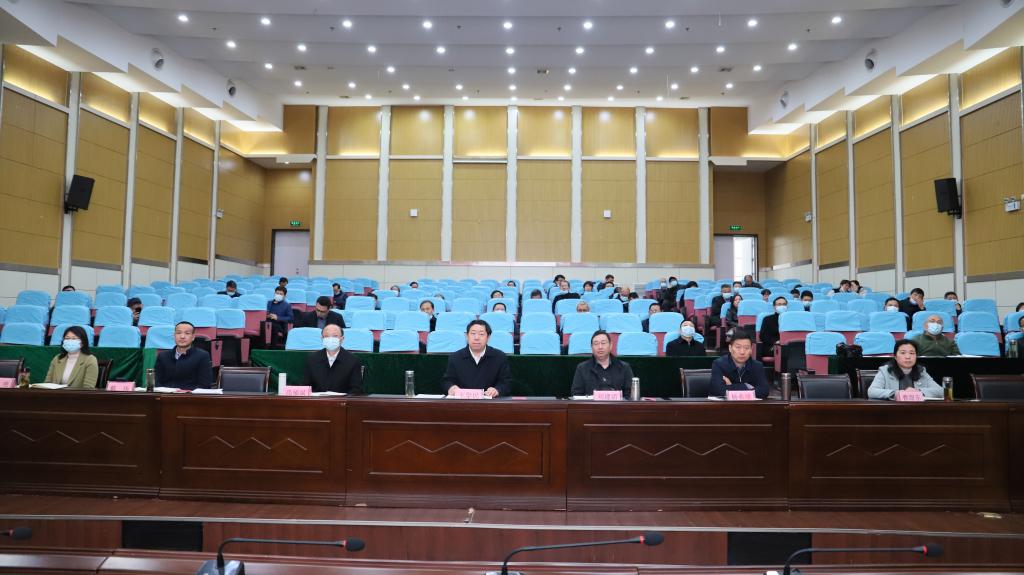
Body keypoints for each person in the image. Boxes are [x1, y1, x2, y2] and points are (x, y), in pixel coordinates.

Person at [442, 319, 512, 398]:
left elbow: (506, 383)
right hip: (463, 402)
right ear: (467, 336)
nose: (476, 338)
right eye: (473, 333)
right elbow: (447, 381)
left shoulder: (499, 357)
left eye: (481, 334)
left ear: (488, 337)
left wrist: (497, 390)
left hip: (490, 402)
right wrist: (451, 387)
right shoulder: (455, 357)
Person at [868, 339, 942, 399]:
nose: (908, 357)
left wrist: (918, 392)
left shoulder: (921, 371)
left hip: (917, 410)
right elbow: (872, 391)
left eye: (912, 353)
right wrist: (896, 393)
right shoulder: (885, 371)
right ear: (895, 356)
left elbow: (941, 391)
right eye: (903, 353)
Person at [301, 324, 363, 394]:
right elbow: (305, 386)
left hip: (342, 400)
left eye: (335, 336)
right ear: (322, 338)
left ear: (342, 339)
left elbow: (356, 389)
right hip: (317, 400)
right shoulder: (312, 359)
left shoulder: (353, 360)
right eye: (327, 336)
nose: (330, 339)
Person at [570, 330, 634, 397]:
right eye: (596, 344)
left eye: (603, 343)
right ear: (591, 348)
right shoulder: (582, 368)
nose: (600, 347)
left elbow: (630, 394)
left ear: (610, 345)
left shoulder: (624, 367)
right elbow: (576, 394)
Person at [708, 330, 769, 399]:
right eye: (738, 347)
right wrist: (746, 386)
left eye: (746, 348)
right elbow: (717, 390)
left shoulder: (757, 366)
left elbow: (764, 391)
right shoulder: (719, 364)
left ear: (751, 349)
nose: (742, 352)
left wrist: (730, 387)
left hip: (749, 405)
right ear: (730, 348)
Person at [154, 321, 213, 390]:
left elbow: (205, 385)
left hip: (191, 395)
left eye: (187, 333)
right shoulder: (163, 356)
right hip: (165, 395)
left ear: (193, 337)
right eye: (178, 333)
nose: (182, 336)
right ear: (174, 336)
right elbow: (156, 383)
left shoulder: (202, 356)